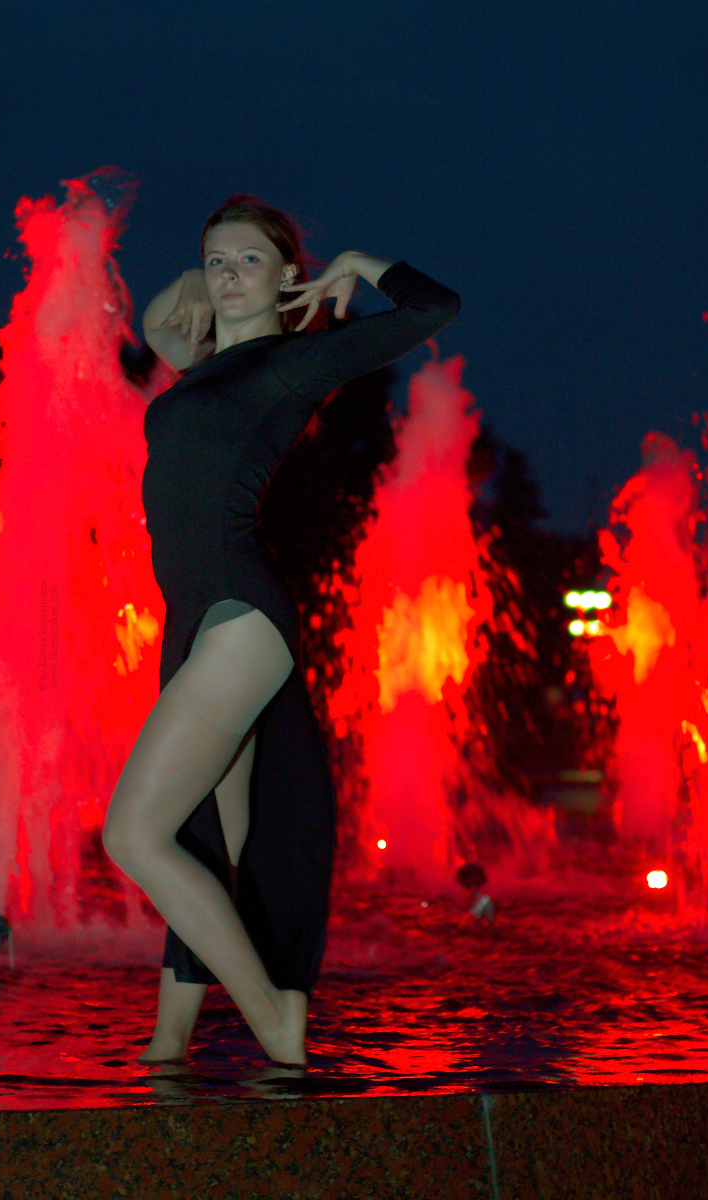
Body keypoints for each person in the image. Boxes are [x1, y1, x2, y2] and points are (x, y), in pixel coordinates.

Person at [102, 194, 461, 1068]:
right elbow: (157, 321)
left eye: (248, 262)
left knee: (134, 835)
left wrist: (358, 267)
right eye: (214, 262)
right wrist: (215, 267)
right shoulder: (202, 362)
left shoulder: (291, 366)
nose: (226, 277)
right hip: (192, 621)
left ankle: (274, 1019)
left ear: (289, 278)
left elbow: (434, 310)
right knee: (205, 843)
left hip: (237, 615)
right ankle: (169, 1042)